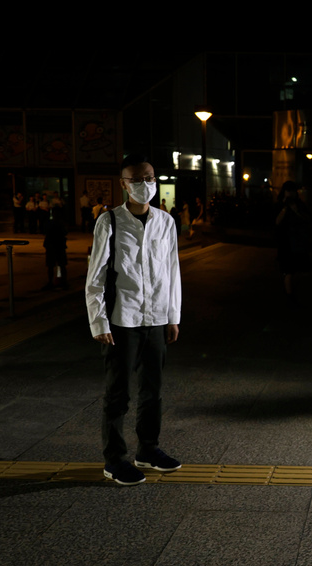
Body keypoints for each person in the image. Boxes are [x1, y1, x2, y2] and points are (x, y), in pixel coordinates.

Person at [85, 154, 182, 486]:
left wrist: (173, 316)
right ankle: (114, 459)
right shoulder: (109, 222)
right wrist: (98, 321)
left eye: (150, 177)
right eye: (137, 179)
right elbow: (96, 276)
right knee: (118, 393)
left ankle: (148, 450)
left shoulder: (165, 222)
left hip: (155, 319)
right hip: (121, 320)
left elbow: (172, 272)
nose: (146, 184)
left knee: (152, 390)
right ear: (124, 184)